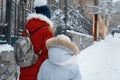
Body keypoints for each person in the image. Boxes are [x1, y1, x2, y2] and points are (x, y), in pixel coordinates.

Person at [19, 0, 54, 80]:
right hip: (38, 72)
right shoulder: (47, 31)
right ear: (47, 17)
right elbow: (47, 55)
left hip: (24, 68)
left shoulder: (27, 28)